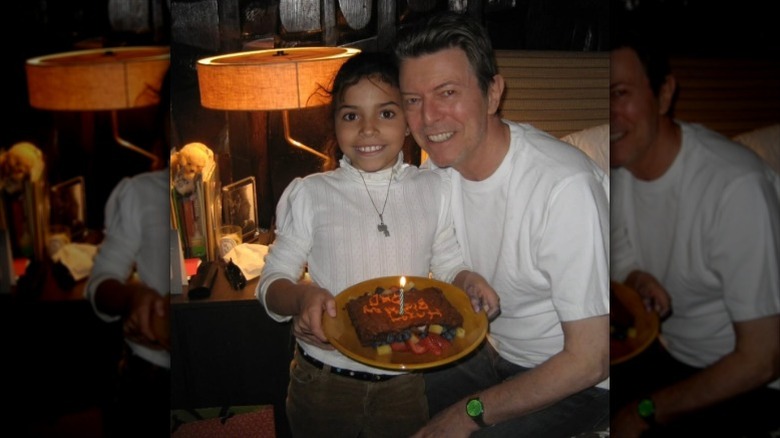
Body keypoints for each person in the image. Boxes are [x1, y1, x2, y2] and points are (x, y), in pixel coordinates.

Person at [256, 51, 500, 438]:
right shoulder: (311, 194)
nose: (367, 130)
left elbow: (449, 263)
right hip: (322, 382)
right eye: (351, 116)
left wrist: (467, 279)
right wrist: (302, 300)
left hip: (403, 385)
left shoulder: (433, 187)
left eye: (386, 113)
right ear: (335, 124)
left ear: (408, 123)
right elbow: (271, 281)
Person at [394, 11, 611, 438]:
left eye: (447, 92)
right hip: (489, 350)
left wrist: (468, 413)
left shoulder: (563, 188)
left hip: (582, 381)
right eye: (413, 100)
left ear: (493, 94)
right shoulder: (440, 166)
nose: (428, 118)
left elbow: (591, 359)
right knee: (394, 397)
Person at [608, 28, 780, 438]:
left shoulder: (734, 188)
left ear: (664, 95)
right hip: (668, 353)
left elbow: (764, 357)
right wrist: (635, 278)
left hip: (751, 379)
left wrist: (643, 412)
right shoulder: (617, 172)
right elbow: (622, 252)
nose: (607, 111)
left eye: (619, 93)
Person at [84, 72, 171, 438]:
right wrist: (135, 296)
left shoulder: (230, 189)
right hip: (152, 374)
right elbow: (101, 284)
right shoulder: (140, 192)